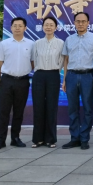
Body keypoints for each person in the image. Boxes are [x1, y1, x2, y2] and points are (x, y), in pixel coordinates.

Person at [61, 12, 93, 151]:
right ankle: (74, 138)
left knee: (88, 109)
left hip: (87, 76)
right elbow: (66, 60)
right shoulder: (69, 39)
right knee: (72, 109)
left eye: (83, 21)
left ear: (88, 23)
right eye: (78, 21)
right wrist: (65, 79)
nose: (81, 24)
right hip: (71, 76)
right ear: (74, 23)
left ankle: (84, 138)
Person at [0, 17, 34, 151]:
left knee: (19, 111)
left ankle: (15, 138)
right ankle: (1, 139)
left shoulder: (31, 44)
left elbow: (33, 63)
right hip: (7, 80)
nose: (17, 28)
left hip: (23, 81)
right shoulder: (4, 44)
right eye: (15, 25)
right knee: (4, 111)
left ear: (25, 28)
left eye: (20, 26)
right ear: (11, 28)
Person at [31, 16, 64, 149]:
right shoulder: (37, 43)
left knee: (51, 107)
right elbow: (33, 60)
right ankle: (38, 139)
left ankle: (50, 139)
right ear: (42, 27)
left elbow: (62, 61)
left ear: (56, 27)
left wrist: (55, 71)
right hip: (39, 75)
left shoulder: (61, 43)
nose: (48, 27)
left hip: (53, 75)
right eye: (46, 25)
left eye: (51, 25)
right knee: (38, 106)